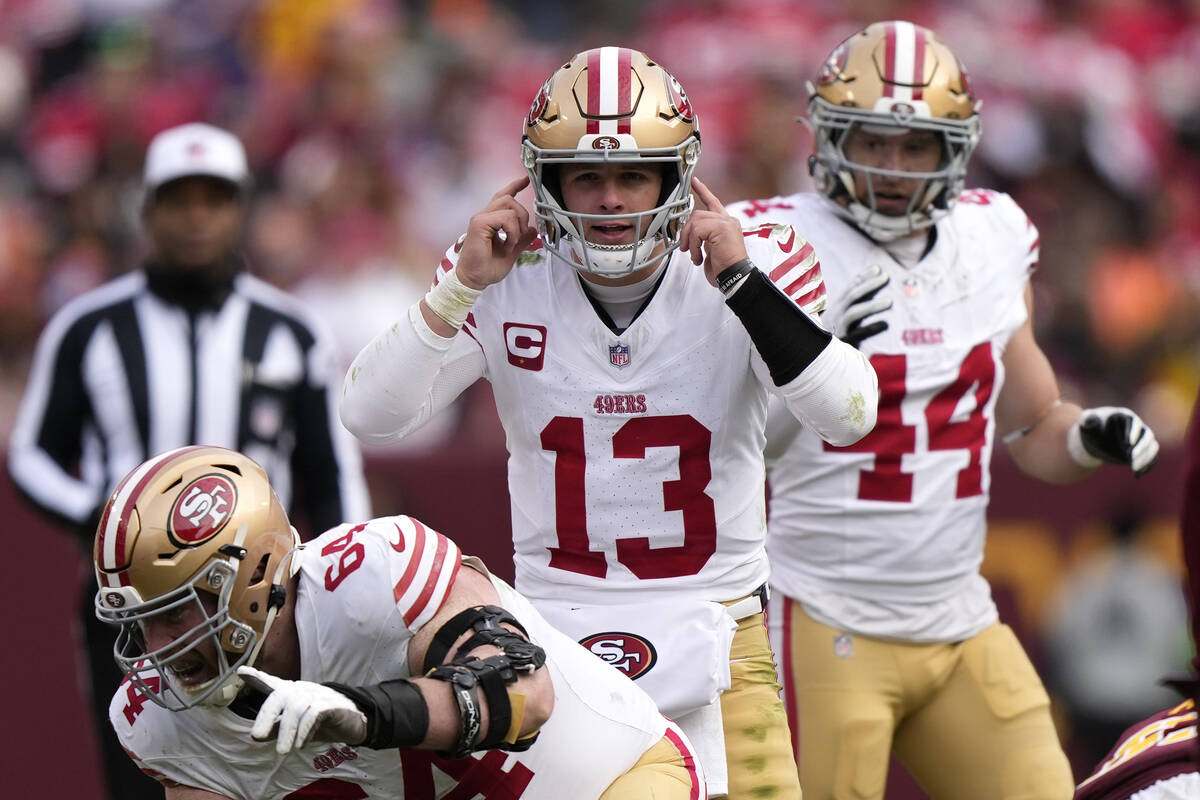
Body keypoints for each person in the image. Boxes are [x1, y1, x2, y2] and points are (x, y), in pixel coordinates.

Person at [340, 46, 879, 800]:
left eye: (634, 175)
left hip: (720, 624)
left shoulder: (756, 259)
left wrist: (743, 285)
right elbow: (369, 415)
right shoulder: (501, 276)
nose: (612, 200)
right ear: (542, 182)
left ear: (678, 176)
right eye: (586, 177)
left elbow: (850, 416)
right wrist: (461, 287)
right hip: (553, 633)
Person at [725, 21, 1160, 800]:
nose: (892, 168)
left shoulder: (989, 239)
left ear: (952, 148)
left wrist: (1087, 435)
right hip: (825, 616)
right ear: (829, 136)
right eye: (873, 141)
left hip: (958, 620)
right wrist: (809, 357)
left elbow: (1032, 424)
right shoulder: (779, 246)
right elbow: (728, 435)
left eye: (915, 146)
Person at [8, 122, 371, 800]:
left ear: (240, 209)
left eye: (214, 198)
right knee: (143, 773)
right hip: (134, 604)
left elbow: (334, 475)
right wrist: (103, 521)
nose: (197, 216)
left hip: (265, 600)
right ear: (148, 210)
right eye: (179, 200)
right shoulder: (89, 327)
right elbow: (30, 455)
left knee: (282, 770)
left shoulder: (292, 330)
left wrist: (337, 578)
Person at [93, 444, 705, 799]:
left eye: (175, 612)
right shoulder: (164, 724)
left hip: (614, 781)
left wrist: (365, 714)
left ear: (254, 574)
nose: (158, 647)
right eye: (142, 621)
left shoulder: (368, 578)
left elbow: (522, 691)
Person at [1072, 392, 1200, 798]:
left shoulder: (1087, 575)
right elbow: (1175, 637)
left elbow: (1063, 635)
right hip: (1140, 697)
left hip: (1092, 700)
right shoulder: (1155, 577)